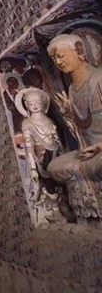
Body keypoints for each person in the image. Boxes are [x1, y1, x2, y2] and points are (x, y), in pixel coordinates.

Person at [46, 33, 102, 220]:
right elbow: (83, 130)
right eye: (54, 59)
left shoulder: (99, 79)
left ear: (79, 51)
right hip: (88, 152)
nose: (58, 62)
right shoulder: (71, 89)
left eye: (60, 56)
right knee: (54, 167)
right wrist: (69, 115)